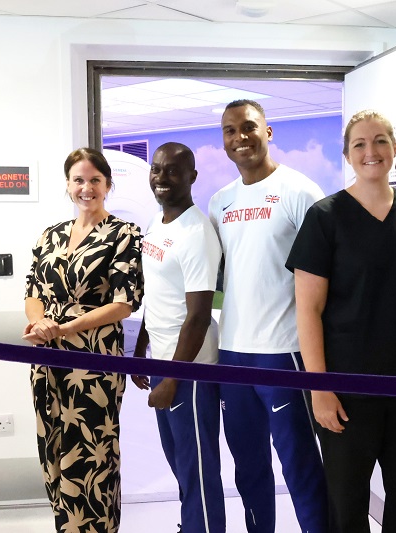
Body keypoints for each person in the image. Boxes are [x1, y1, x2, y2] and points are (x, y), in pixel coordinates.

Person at [286, 109, 396, 533]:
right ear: (347, 154)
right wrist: (320, 389)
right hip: (347, 392)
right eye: (360, 144)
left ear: (395, 149)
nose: (371, 151)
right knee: (347, 508)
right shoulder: (326, 217)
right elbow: (308, 309)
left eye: (380, 140)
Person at [207, 99, 329, 533]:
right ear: (222, 141)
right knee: (248, 468)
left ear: (268, 131)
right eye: (230, 131)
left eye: (248, 127)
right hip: (234, 354)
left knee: (299, 466)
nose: (240, 138)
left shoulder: (301, 192)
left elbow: (329, 276)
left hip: (284, 354)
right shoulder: (220, 203)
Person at [23, 147, 143, 533]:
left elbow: (125, 303)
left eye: (95, 180)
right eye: (79, 180)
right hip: (48, 359)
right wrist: (40, 321)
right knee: (53, 451)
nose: (86, 188)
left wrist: (65, 328)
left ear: (108, 184)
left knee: (93, 456)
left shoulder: (124, 234)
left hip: (94, 363)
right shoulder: (51, 234)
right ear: (68, 185)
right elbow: (33, 290)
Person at [131, 142, 226, 533]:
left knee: (198, 470)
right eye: (156, 170)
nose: (162, 178)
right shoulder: (159, 223)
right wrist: (140, 349)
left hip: (191, 371)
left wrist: (172, 378)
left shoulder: (196, 233)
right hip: (162, 360)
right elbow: (157, 294)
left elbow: (199, 316)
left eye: (172, 171)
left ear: (192, 177)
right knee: (181, 465)